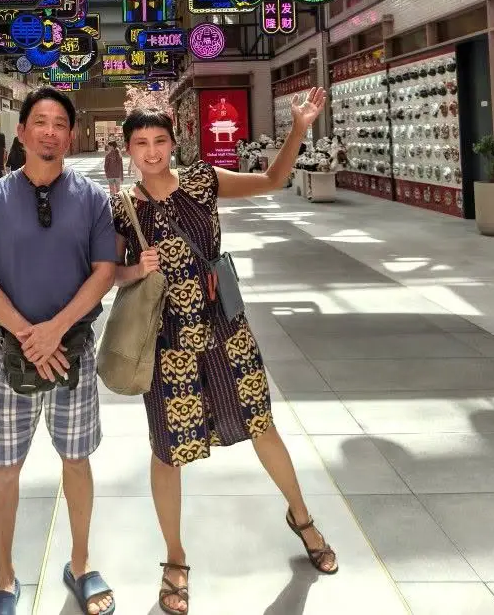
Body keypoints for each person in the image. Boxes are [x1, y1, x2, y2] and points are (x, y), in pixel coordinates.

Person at [111, 90, 337, 614]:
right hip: (168, 344)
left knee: (262, 424)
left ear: (174, 142)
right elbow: (109, 276)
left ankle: (301, 517)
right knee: (168, 449)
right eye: (140, 143)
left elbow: (273, 180)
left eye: (159, 141)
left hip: (226, 331)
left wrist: (299, 127)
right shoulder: (122, 208)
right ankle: (175, 558)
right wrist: (135, 269)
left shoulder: (203, 181)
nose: (151, 152)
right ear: (127, 149)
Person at [0, 87, 118, 615]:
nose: (50, 131)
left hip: (74, 352)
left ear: (70, 135)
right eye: (41, 122)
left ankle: (79, 564)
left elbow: (104, 273)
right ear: (24, 132)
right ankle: (4, 577)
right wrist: (31, 335)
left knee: (76, 459)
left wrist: (56, 329)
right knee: (6, 465)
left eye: (60, 123)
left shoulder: (95, 199)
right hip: (13, 354)